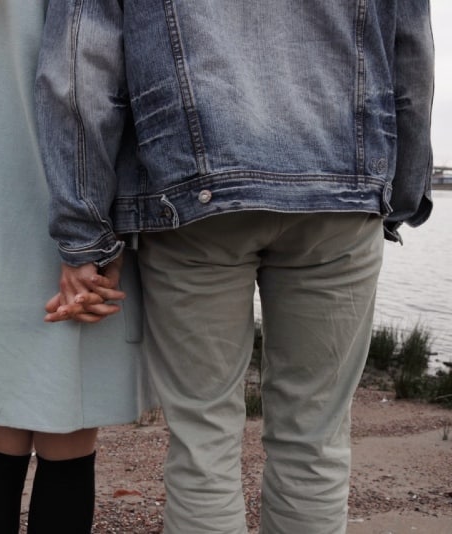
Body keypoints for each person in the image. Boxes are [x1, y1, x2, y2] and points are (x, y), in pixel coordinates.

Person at [36, 1, 434, 533]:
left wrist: (85, 236)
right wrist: (398, 194)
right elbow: (413, 54)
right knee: (314, 443)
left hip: (190, 199)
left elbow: (79, 68)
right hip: (342, 194)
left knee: (204, 443)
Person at [0, 1, 153, 532]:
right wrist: (104, 244)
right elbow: (108, 95)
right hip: (80, 232)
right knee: (66, 438)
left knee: (1, 435)